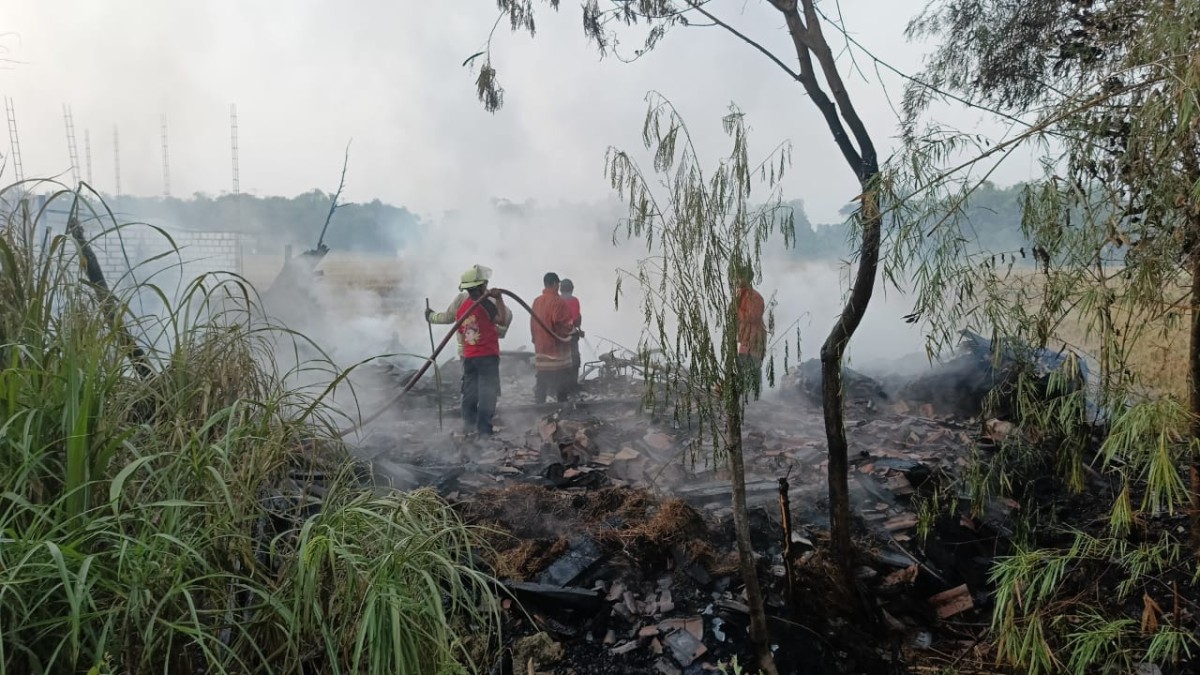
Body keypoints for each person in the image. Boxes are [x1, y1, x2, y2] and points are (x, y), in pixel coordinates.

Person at [456, 270, 506, 436]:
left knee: (470, 392)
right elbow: (502, 319)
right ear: (481, 286)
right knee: (487, 394)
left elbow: (462, 334)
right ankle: (484, 432)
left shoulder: (462, 308)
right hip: (487, 357)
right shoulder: (485, 304)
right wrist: (499, 298)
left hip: (469, 358)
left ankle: (468, 427)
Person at [426, 264, 513, 356]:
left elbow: (448, 317)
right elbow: (507, 317)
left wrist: (431, 316)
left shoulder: (462, 300)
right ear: (484, 284)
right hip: (485, 353)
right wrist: (498, 331)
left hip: (468, 353)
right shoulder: (492, 300)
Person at [530, 272, 575, 404]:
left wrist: (534, 339)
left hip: (541, 347)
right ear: (555, 284)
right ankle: (562, 408)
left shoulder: (537, 301)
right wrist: (570, 331)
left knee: (542, 380)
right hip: (556, 348)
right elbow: (561, 322)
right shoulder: (558, 301)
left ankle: (538, 409)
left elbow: (532, 322)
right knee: (562, 380)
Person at [734, 268, 766, 401]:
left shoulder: (755, 297)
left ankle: (755, 397)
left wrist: (736, 310)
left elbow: (752, 316)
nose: (737, 280)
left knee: (753, 365)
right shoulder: (739, 294)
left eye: (739, 277)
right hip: (744, 337)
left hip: (754, 337)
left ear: (747, 279)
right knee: (741, 364)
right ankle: (743, 394)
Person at [559, 278, 584, 393]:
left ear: (560, 289)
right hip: (571, 336)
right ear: (572, 289)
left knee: (560, 361)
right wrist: (578, 329)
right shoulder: (574, 301)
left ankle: (559, 385)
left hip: (556, 336)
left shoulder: (556, 300)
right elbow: (576, 320)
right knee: (574, 360)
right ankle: (572, 385)